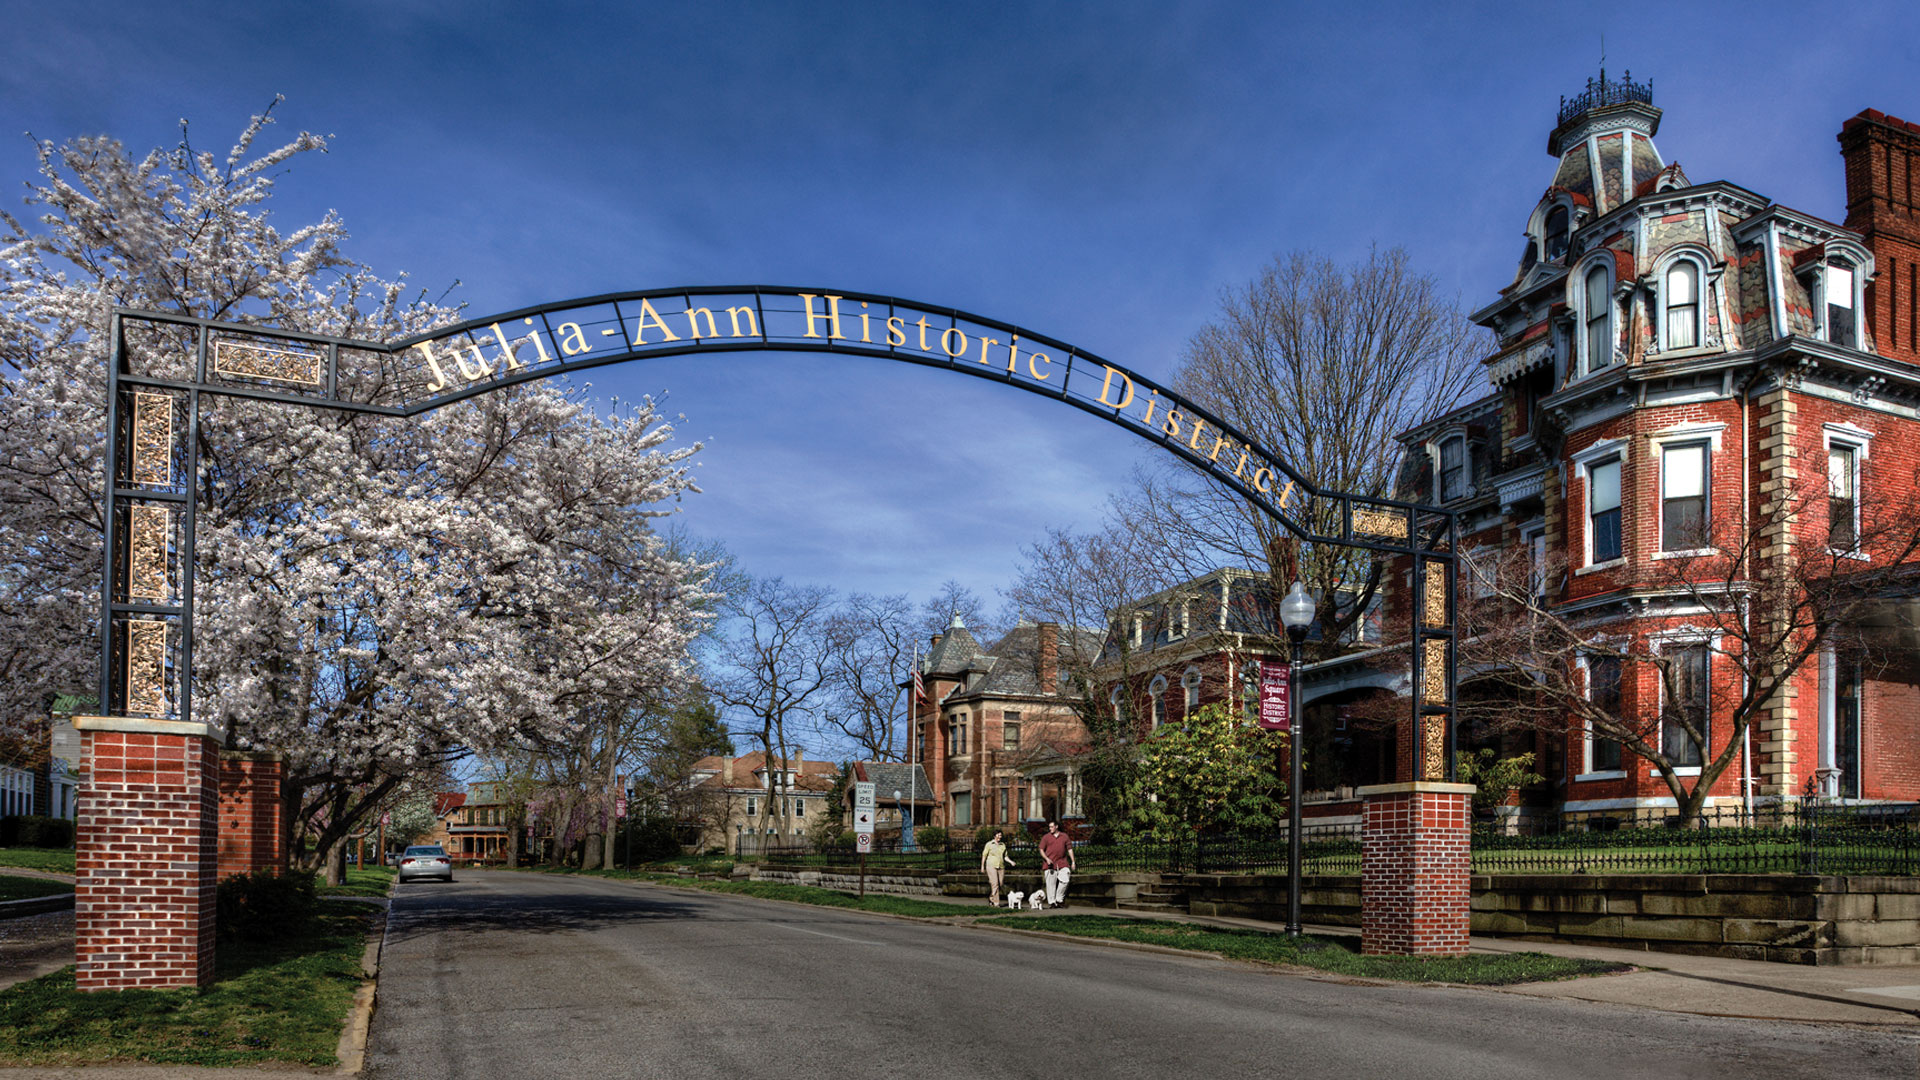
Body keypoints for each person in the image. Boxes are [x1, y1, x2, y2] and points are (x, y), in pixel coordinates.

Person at [1038, 819, 1075, 908]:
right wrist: (1046, 859)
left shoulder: (1064, 836)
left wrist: (1073, 861)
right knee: (1051, 884)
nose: (1050, 828)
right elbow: (1041, 849)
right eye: (1049, 827)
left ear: (1056, 826)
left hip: (1062, 863)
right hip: (1050, 864)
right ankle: (1052, 902)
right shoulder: (1046, 837)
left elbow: (1069, 849)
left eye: (1051, 827)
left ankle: (1059, 899)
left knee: (1065, 880)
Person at [980, 829, 1014, 907]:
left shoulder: (1003, 845)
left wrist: (1011, 862)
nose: (1000, 837)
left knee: (1000, 883)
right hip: (991, 865)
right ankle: (996, 903)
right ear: (994, 835)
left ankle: (991, 898)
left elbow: (1005, 856)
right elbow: (984, 855)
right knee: (994, 884)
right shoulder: (989, 844)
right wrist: (982, 866)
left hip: (1001, 866)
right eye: (998, 835)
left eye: (1000, 835)